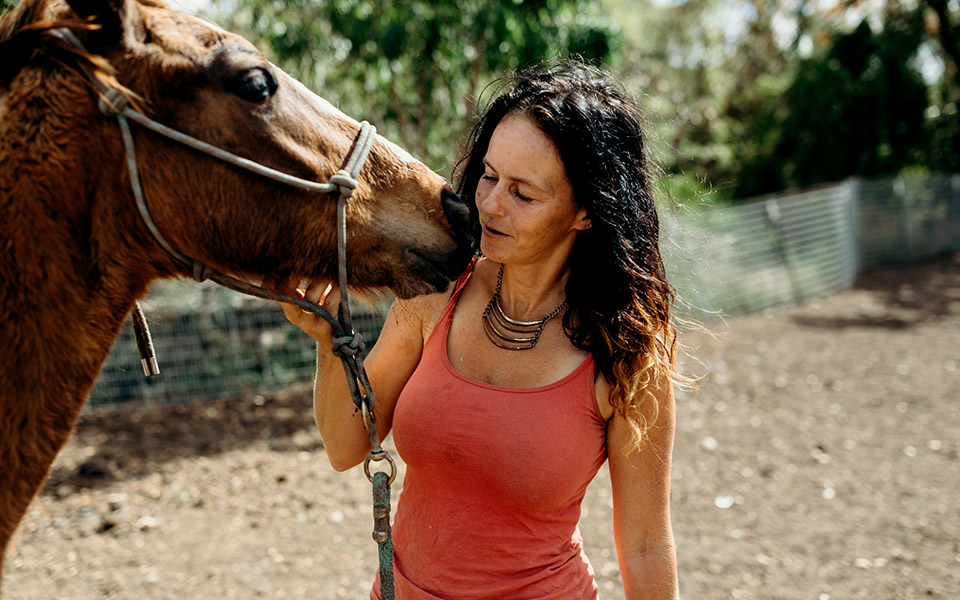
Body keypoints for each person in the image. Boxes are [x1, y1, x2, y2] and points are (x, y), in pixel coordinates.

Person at [280, 60, 680, 600]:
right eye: (489, 175)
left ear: (586, 210)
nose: (488, 204)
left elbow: (646, 546)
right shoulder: (437, 292)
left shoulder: (625, 349)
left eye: (524, 193)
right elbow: (344, 444)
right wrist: (331, 347)